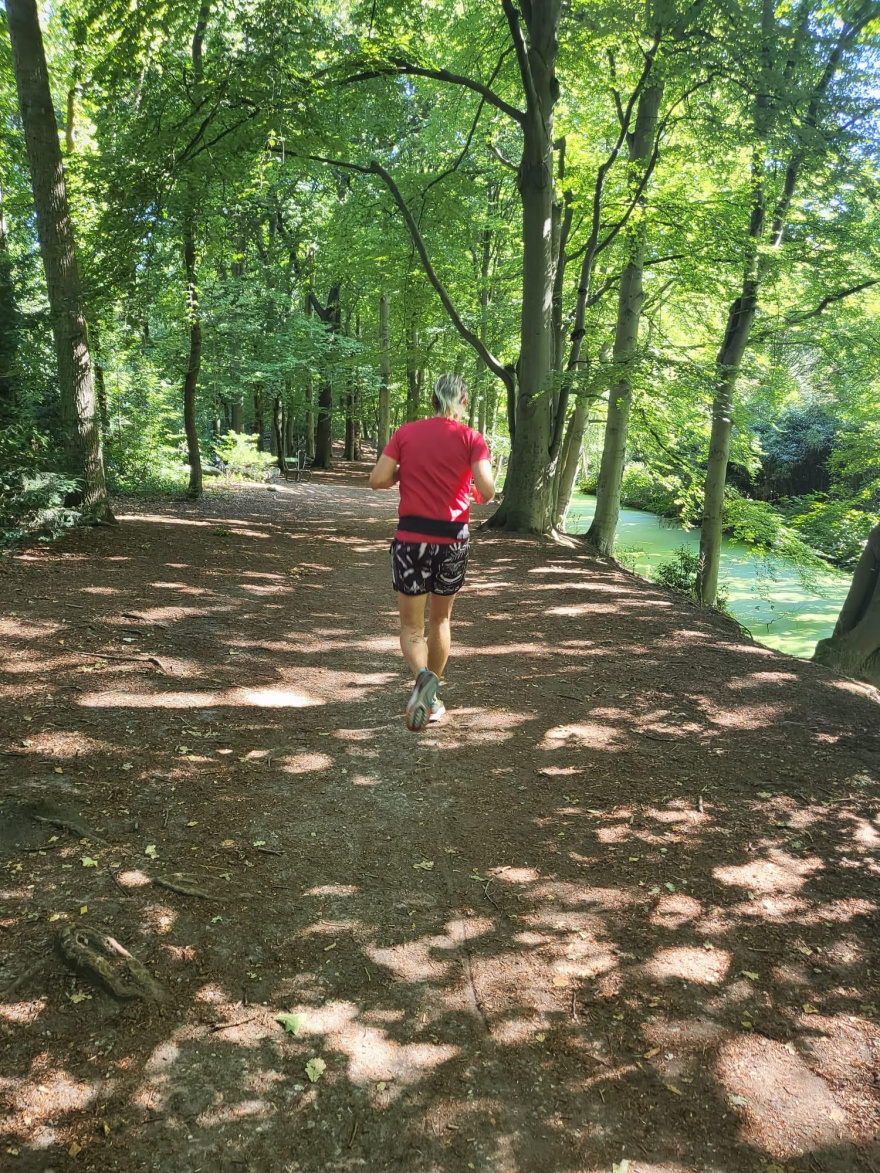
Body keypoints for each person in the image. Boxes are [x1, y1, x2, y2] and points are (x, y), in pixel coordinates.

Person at [369, 374, 496, 731]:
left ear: (432, 401)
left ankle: (423, 677)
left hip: (411, 540)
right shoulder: (472, 438)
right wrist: (472, 486)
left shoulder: (406, 433)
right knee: (440, 620)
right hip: (453, 541)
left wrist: (402, 474)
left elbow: (377, 479)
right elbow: (487, 490)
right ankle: (433, 696)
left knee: (411, 626)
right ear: (464, 402)